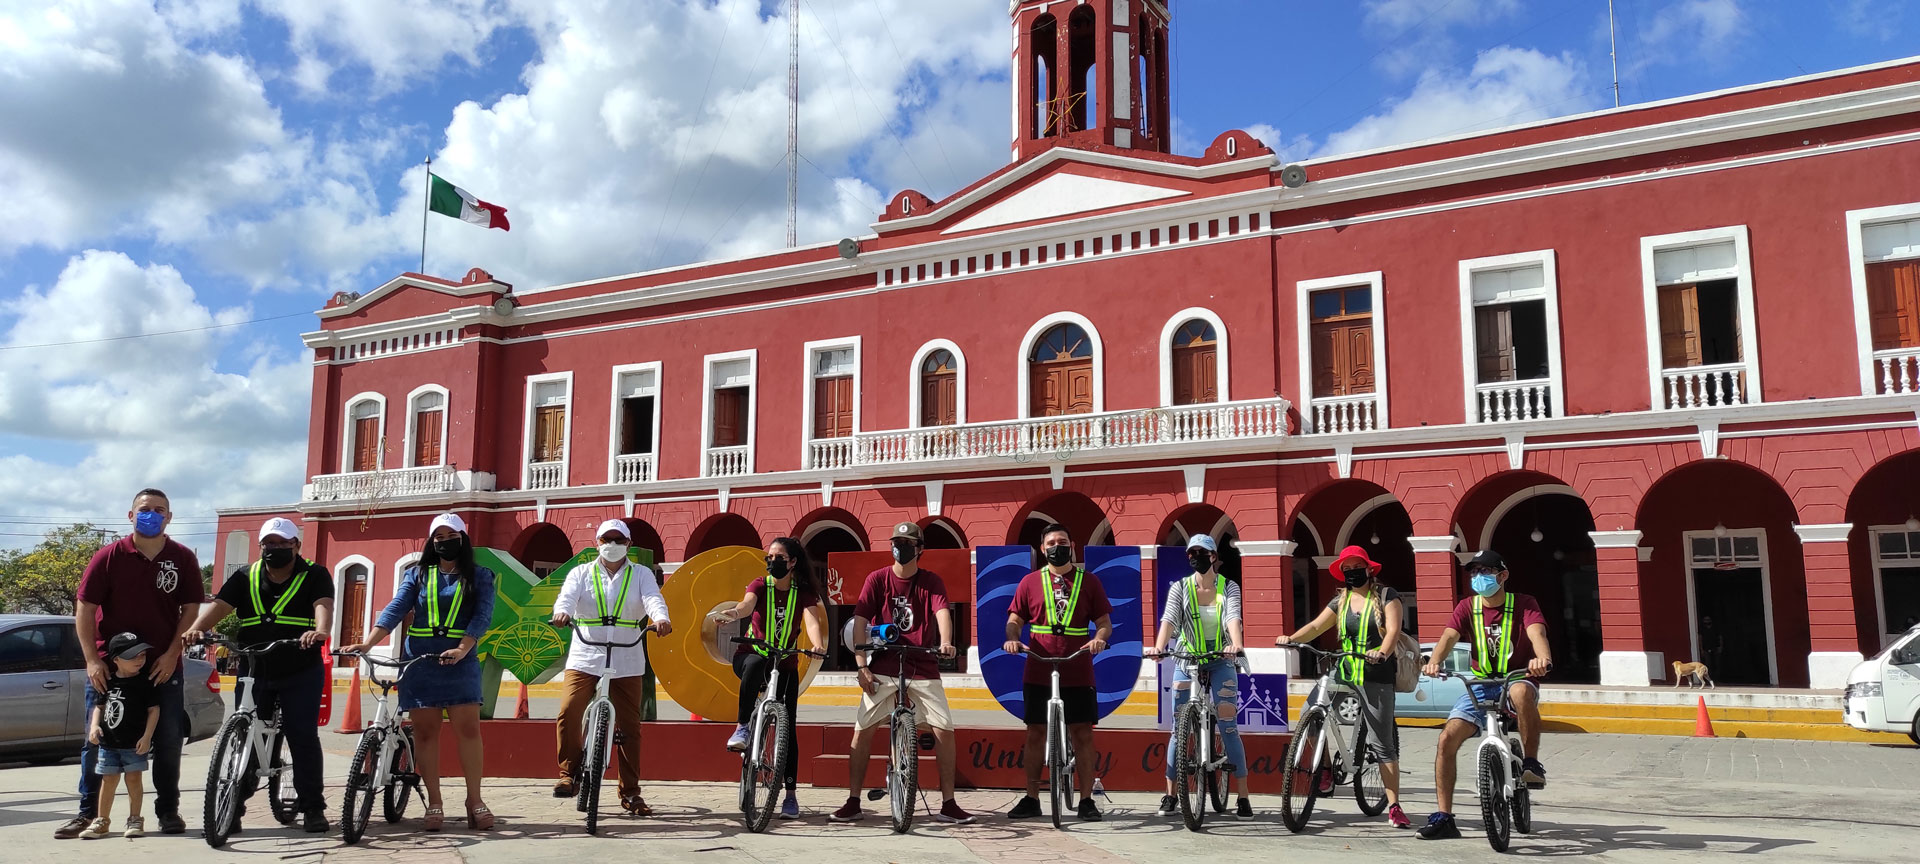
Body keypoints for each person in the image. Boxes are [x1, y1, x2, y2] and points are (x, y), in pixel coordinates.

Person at [57, 489, 204, 840]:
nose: (151, 515)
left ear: (169, 517)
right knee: (98, 740)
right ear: (130, 515)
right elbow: (86, 609)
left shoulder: (182, 557)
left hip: (162, 669)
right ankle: (88, 813)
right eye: (144, 509)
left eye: (159, 510)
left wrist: (172, 654)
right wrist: (93, 660)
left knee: (169, 740)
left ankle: (167, 811)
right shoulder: (108, 557)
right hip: (112, 671)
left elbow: (191, 610)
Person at [341, 513, 497, 831]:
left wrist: (464, 648)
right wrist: (368, 643)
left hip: (460, 659)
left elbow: (482, 615)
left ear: (463, 539)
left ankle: (474, 800)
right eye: (437, 537)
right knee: (426, 733)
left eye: (450, 536)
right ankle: (435, 803)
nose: (443, 542)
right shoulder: (418, 574)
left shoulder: (481, 575)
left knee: (468, 731)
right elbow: (397, 607)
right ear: (431, 542)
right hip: (420, 659)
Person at [183, 517, 334, 833]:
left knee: (302, 735)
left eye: (282, 543)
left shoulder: (314, 575)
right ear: (261, 546)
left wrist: (319, 631)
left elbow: (323, 606)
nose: (274, 549)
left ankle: (313, 808)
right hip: (254, 668)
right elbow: (221, 605)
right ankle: (232, 808)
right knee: (245, 736)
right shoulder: (245, 577)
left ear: (296, 545)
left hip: (300, 668)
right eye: (269, 543)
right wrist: (197, 628)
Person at [828, 522, 975, 825]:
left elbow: (941, 613)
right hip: (881, 665)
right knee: (862, 730)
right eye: (897, 541)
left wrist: (946, 642)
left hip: (922, 665)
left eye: (908, 542)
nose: (901, 546)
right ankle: (853, 800)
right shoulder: (877, 579)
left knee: (944, 729)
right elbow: (859, 620)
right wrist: (861, 665)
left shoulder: (931, 581)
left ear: (919, 549)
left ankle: (949, 803)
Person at [1417, 549, 1552, 841]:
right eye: (1474, 573)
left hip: (1517, 677)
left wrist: (1541, 659)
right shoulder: (1467, 606)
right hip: (1480, 683)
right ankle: (1444, 817)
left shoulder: (1524, 604)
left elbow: (1537, 634)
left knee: (1520, 692)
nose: (1479, 578)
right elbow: (1448, 637)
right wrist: (1435, 661)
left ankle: (1530, 762)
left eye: (1486, 572)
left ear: (1503, 576)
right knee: (1446, 740)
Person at [1275, 545, 1410, 828]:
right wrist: (1291, 638)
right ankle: (1324, 770)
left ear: (1369, 569)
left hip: (1376, 674)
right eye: (1346, 570)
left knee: (1382, 744)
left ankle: (1394, 805)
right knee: (1311, 715)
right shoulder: (1341, 601)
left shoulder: (1387, 596)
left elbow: (1394, 631)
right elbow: (1315, 627)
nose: (1351, 573)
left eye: (1356, 567)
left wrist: (1382, 652)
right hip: (1344, 671)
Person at [549, 519, 672, 816]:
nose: (612, 545)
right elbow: (565, 598)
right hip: (585, 654)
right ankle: (568, 773)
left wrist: (661, 619)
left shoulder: (641, 574)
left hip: (626, 658)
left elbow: (653, 599)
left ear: (628, 545)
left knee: (630, 727)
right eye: (607, 539)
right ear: (597, 543)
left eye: (619, 540)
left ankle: (630, 792)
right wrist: (562, 613)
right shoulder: (581, 573)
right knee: (568, 709)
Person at [1003, 523, 1113, 822]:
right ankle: (1031, 797)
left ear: (1072, 545)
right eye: (1050, 542)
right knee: (1035, 732)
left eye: (1062, 541)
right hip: (1038, 665)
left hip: (1077, 666)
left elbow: (1104, 622)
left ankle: (1087, 799)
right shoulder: (1028, 582)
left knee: (1083, 733)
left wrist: (1100, 638)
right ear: (1042, 548)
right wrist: (1013, 638)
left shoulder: (1089, 582)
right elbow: (1015, 619)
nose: (1056, 546)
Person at [712, 537, 828, 819]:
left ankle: (790, 794)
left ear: (792, 562)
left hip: (785, 661)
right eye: (770, 556)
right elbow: (746, 605)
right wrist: (732, 613)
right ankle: (742, 727)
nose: (772, 561)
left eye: (779, 557)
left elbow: (812, 620)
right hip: (751, 655)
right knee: (754, 663)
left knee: (788, 725)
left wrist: (817, 644)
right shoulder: (759, 584)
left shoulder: (804, 591)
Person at [1147, 535, 1254, 819]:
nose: (1197, 557)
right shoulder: (1180, 588)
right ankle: (1170, 794)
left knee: (1229, 724)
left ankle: (1243, 797)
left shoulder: (1229, 587)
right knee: (1178, 727)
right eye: (1191, 553)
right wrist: (1159, 647)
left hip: (1221, 659)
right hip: (1187, 658)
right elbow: (1168, 619)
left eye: (1202, 552)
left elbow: (1233, 616)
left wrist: (1236, 644)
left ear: (1214, 556)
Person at [77, 633, 161, 839]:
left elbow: (154, 710)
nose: (139, 660)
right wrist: (94, 726)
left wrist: (147, 736)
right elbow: (99, 707)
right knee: (108, 780)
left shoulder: (145, 682)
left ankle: (135, 819)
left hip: (134, 744)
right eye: (132, 656)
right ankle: (102, 820)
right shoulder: (109, 681)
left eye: (141, 655)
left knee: (133, 779)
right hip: (108, 744)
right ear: (115, 659)